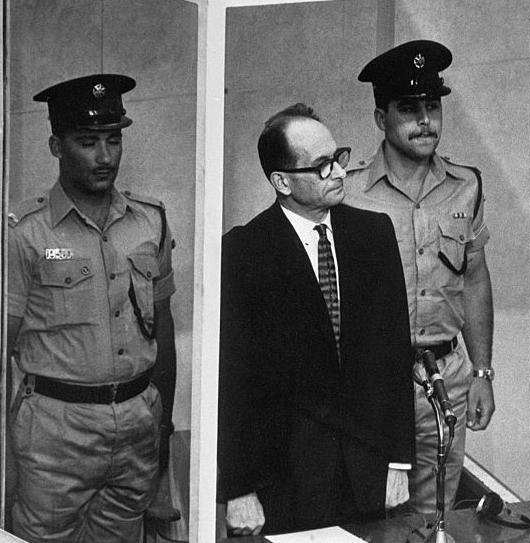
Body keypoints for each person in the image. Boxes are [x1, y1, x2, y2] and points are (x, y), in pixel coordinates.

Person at [217, 103, 415, 536]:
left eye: (337, 158)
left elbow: (394, 354)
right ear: (282, 181)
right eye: (321, 167)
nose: (339, 173)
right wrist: (238, 488)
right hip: (285, 476)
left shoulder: (374, 235)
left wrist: (399, 461)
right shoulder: (243, 252)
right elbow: (233, 379)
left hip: (368, 468)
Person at [6, 74, 178, 542]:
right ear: (56, 146)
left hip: (138, 424)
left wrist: (163, 426)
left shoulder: (150, 221)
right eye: (87, 142)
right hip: (55, 431)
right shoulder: (24, 233)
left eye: (113, 140)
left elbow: (162, 327)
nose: (105, 157)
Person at [345, 39, 496, 514]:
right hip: (373, 382)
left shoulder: (464, 186)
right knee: (372, 514)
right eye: (409, 109)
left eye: (432, 106)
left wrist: (482, 372)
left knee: (435, 516)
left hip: (444, 376)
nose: (425, 120)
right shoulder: (348, 193)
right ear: (380, 119)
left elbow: (474, 280)